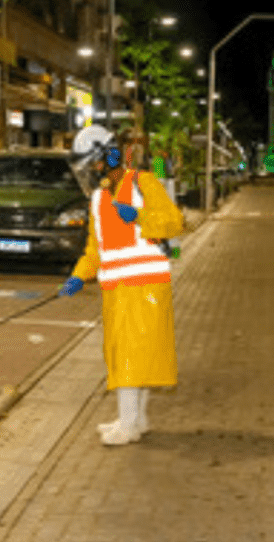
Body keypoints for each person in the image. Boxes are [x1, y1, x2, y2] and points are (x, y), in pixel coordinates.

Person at [59, 132, 183, 445]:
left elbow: (174, 222)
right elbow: (94, 247)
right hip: (117, 289)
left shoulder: (142, 182)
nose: (92, 169)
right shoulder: (99, 198)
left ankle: (127, 426)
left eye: (94, 162)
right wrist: (79, 276)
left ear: (110, 155)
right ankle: (137, 419)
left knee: (131, 353)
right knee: (126, 352)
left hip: (146, 285)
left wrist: (140, 216)